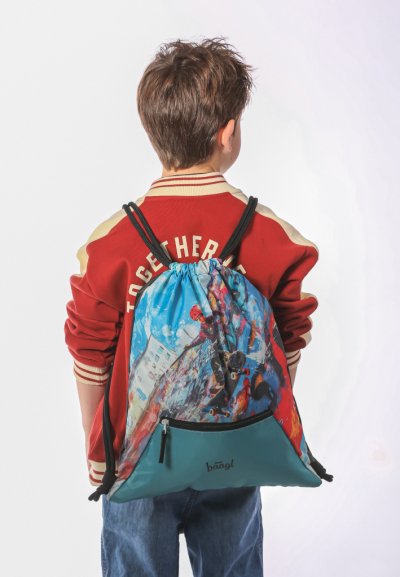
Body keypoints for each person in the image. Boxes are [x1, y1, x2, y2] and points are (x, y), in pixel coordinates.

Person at [64, 36, 319, 577]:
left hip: (137, 459)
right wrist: (255, 422)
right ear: (229, 132)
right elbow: (288, 341)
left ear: (153, 131)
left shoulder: (110, 243)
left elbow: (90, 355)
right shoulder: (272, 235)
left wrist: (100, 452)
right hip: (236, 451)